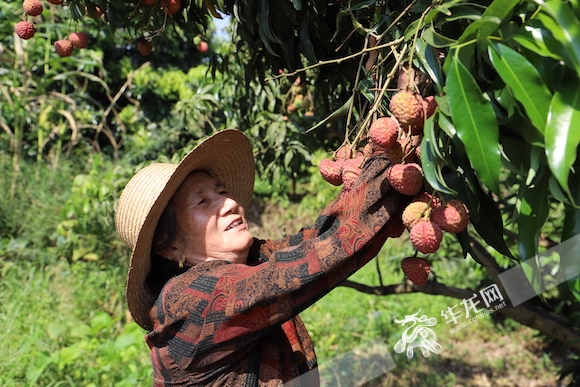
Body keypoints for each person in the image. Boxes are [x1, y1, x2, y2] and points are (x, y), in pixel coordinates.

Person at [115, 129, 404, 386]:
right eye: (203, 201)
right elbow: (311, 264)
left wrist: (382, 159)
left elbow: (319, 238)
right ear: (169, 247)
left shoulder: (251, 260)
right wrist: (385, 161)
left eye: (222, 192)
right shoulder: (187, 300)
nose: (229, 204)